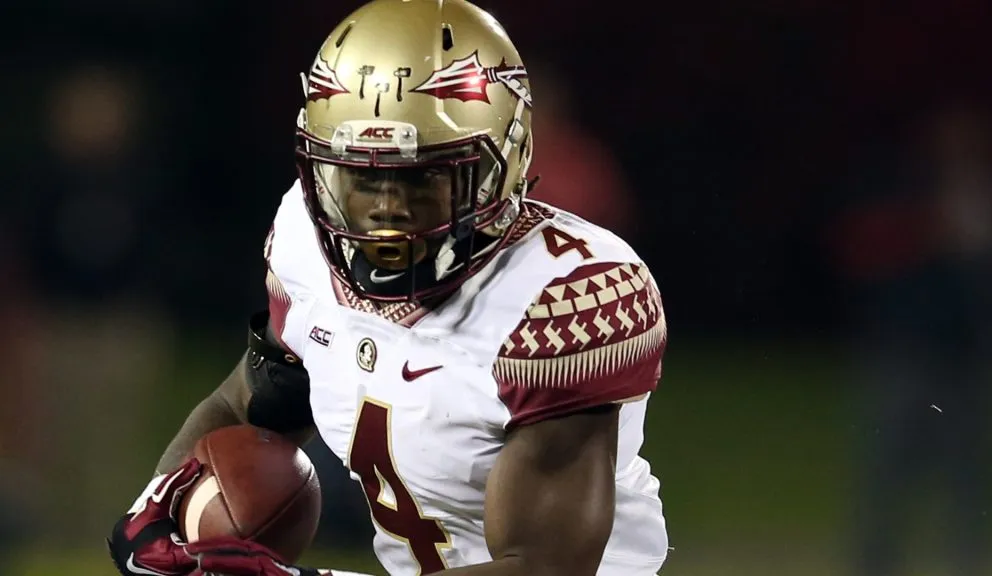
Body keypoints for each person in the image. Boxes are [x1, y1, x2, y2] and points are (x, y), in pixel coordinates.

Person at [106, 1, 669, 575]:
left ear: (508, 160)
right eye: (361, 174)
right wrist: (159, 507)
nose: (386, 209)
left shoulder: (567, 294)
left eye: (423, 174)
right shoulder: (304, 235)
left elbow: (544, 567)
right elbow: (251, 403)